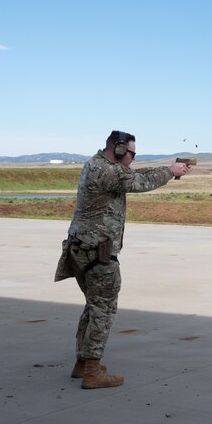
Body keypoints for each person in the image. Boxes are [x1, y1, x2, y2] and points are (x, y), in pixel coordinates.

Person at [54, 130, 192, 389]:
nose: (133, 158)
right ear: (118, 150)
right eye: (131, 153)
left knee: (93, 305)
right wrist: (170, 172)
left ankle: (83, 363)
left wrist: (169, 168)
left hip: (82, 249)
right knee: (103, 309)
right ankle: (92, 372)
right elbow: (139, 183)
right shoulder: (107, 172)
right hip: (98, 252)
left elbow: (133, 174)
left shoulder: (97, 164)